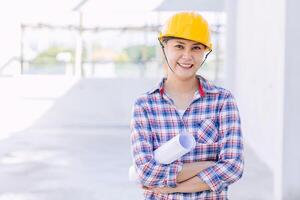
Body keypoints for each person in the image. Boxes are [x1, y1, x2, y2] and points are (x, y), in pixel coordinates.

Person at [130, 11, 244, 199]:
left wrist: (172, 188)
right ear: (164, 48)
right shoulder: (145, 106)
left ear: (205, 53)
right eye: (179, 46)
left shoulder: (222, 101)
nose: (187, 56)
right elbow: (145, 173)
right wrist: (207, 165)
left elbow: (233, 167)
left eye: (196, 48)